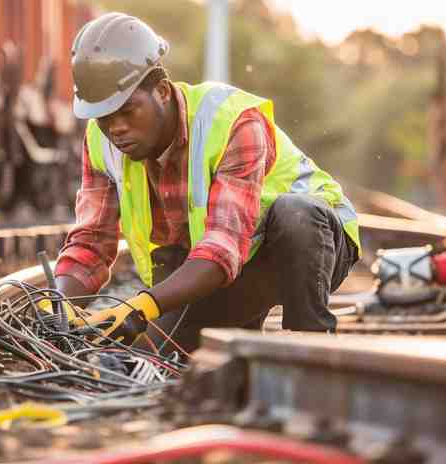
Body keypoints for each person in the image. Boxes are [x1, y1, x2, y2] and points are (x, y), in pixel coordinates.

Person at [54, 12, 360, 355]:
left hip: (310, 242)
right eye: (105, 117)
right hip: (216, 264)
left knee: (296, 214)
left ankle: (311, 349)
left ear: (163, 91)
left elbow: (222, 247)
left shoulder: (232, 121)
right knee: (150, 355)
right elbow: (91, 243)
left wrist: (142, 305)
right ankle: (240, 334)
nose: (116, 129)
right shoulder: (100, 141)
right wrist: (58, 304)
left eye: (127, 111)